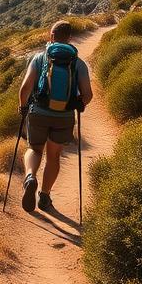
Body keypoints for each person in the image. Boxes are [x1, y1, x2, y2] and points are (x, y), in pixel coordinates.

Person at [17, 20, 93, 214]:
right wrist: (78, 103)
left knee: (34, 149)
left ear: (51, 36)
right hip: (64, 116)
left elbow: (25, 88)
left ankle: (29, 177)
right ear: (70, 38)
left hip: (38, 112)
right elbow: (88, 94)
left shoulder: (40, 58)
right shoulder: (78, 63)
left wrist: (23, 107)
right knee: (54, 156)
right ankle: (44, 196)